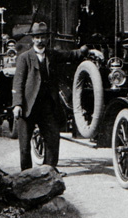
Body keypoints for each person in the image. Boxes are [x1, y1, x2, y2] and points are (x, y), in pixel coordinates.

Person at [12, 22, 88, 172]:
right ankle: (26, 175)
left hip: (47, 106)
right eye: (37, 37)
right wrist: (17, 104)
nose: (40, 41)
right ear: (32, 39)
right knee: (24, 145)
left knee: (53, 138)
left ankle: (49, 172)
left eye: (43, 37)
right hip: (28, 106)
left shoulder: (52, 54)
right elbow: (18, 82)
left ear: (47, 39)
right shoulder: (24, 58)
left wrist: (85, 50)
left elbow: (71, 55)